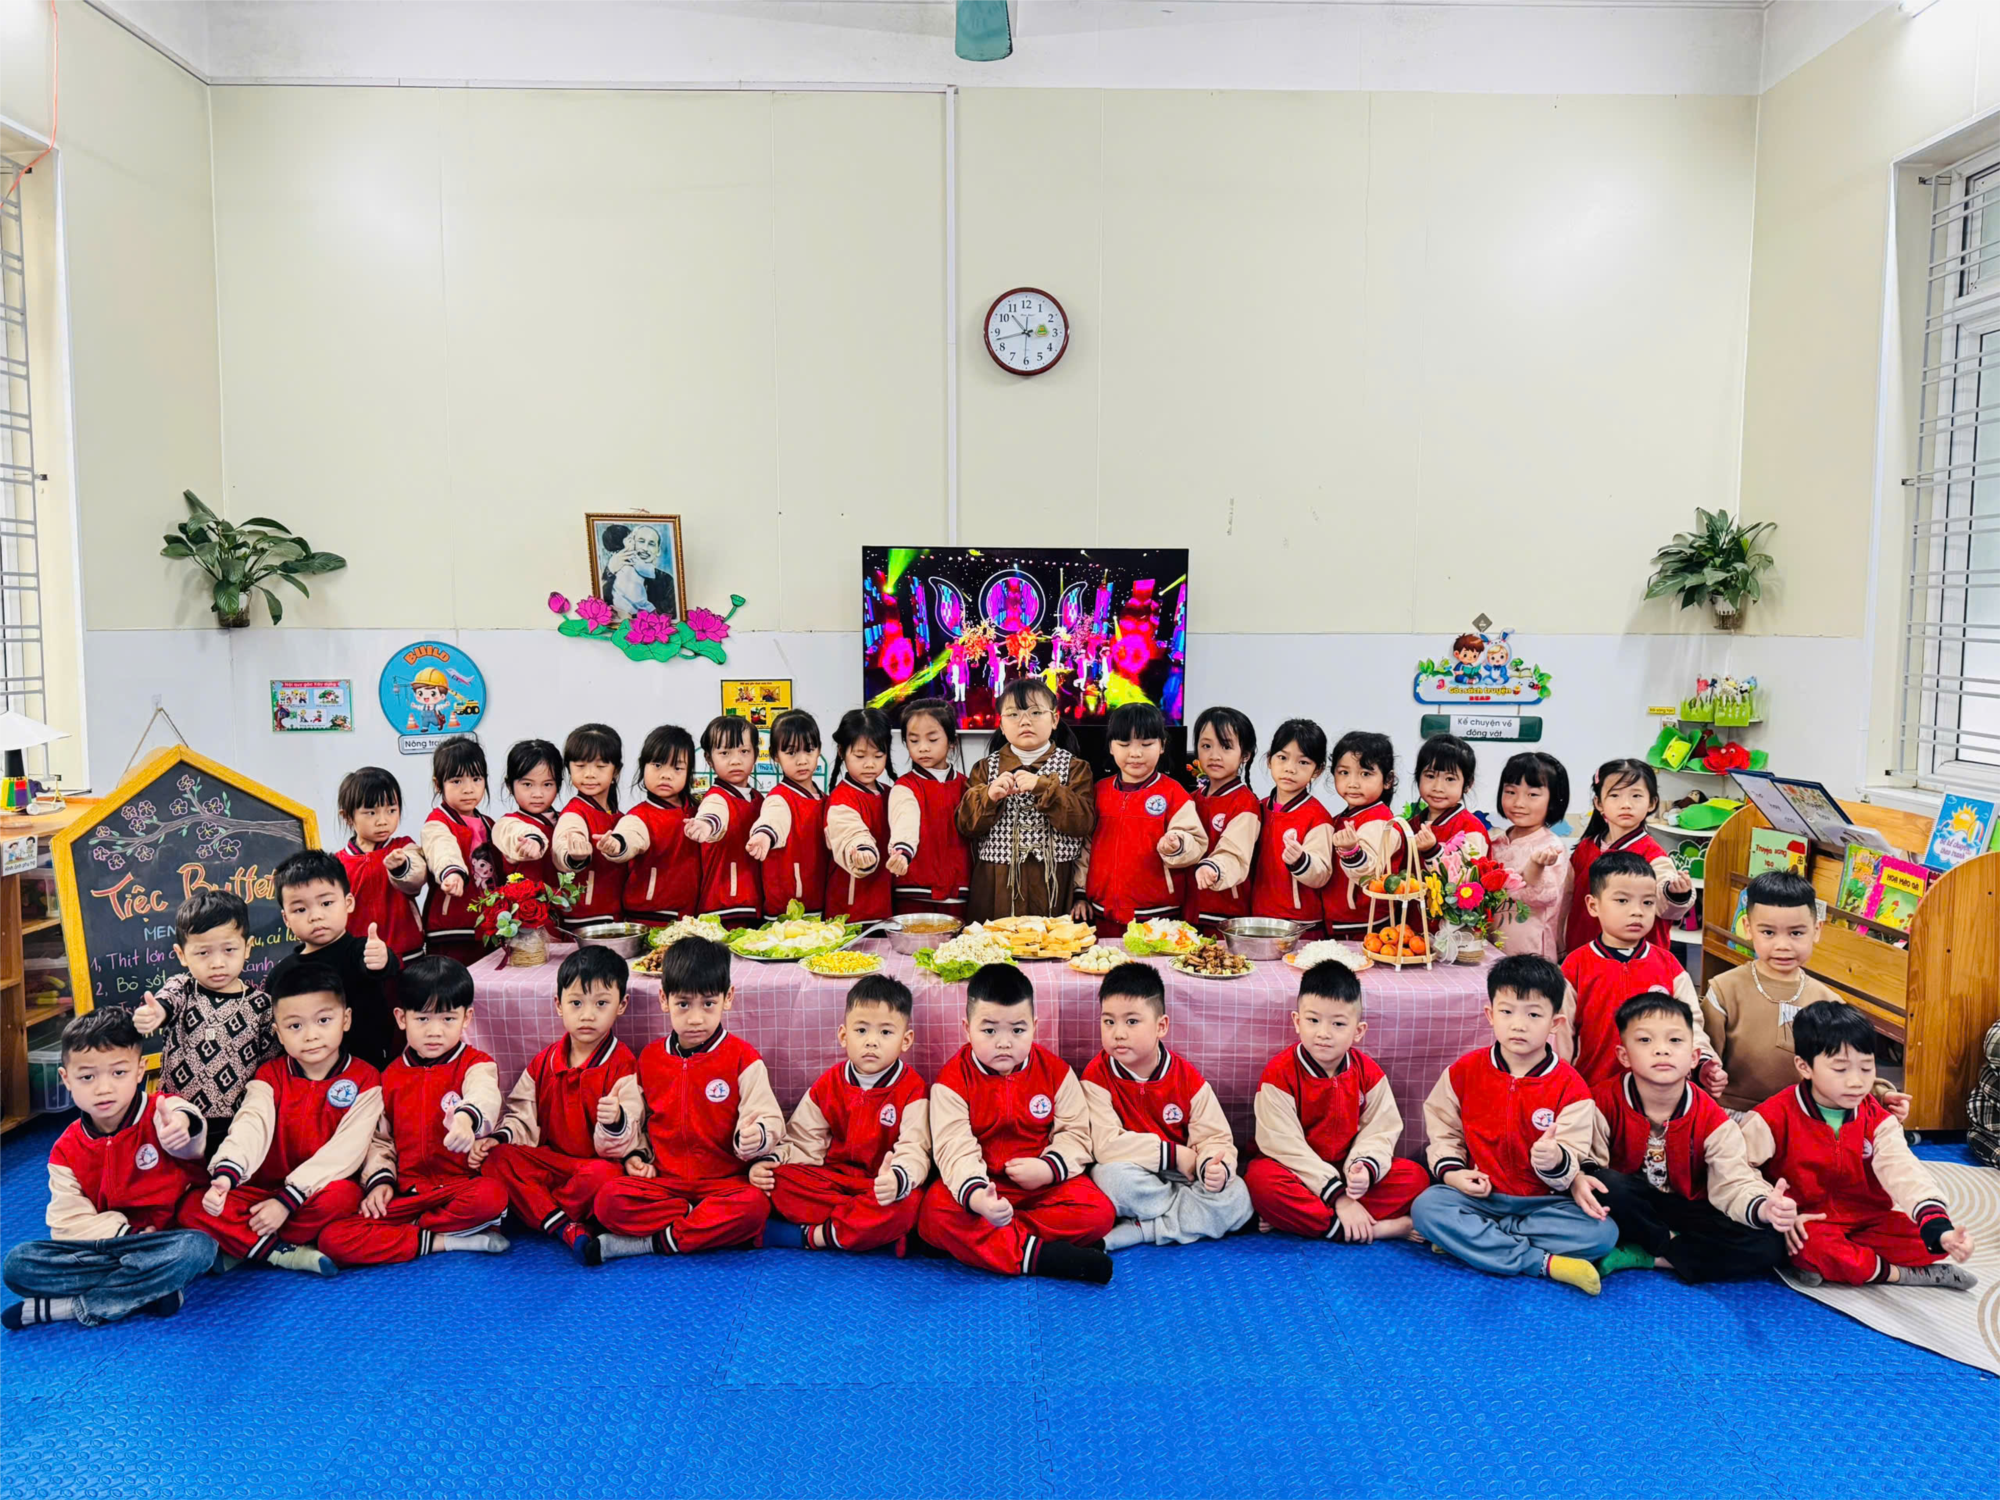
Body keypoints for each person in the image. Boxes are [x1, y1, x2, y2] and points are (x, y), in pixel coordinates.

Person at [1411, 955, 1618, 1294]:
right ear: (1490, 1015)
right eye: (1507, 1012)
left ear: (1555, 1022)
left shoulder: (1571, 1087)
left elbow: (1575, 1153)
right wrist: (1453, 1174)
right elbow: (1443, 1130)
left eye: (1533, 1015)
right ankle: (1543, 1263)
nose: (1518, 1025)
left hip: (1544, 1204)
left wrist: (1555, 1160)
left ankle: (1476, 1240)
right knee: (1427, 1207)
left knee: (1602, 1233)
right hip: (1481, 1197)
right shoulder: (1464, 1071)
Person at [1740, 1000, 1978, 1289]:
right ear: (1804, 1067)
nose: (1856, 1082)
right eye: (1840, 1069)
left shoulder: (1876, 1118)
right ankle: (1900, 1274)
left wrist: (1939, 1228)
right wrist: (1772, 1203)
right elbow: (1738, 1169)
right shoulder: (1772, 1117)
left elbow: (1902, 1168)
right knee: (1811, 1245)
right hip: (1810, 1221)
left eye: (1866, 1068)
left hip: (1869, 1218)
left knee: (1931, 1241)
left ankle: (1848, 1264)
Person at [2, 1007, 215, 1329]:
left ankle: (74, 1307)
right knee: (18, 1264)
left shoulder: (161, 1112)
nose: (104, 1089)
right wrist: (125, 1234)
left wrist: (182, 1128)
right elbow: (68, 1222)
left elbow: (186, 1122)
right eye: (87, 1077)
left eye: (118, 1073)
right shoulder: (65, 1149)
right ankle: (148, 1289)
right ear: (66, 1079)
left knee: (199, 1248)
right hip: (108, 1245)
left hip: (165, 1240)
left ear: (139, 1070)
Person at [176, 964, 383, 1277]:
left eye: (324, 1021)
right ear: (278, 1033)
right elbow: (250, 1125)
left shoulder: (366, 1079)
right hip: (261, 1192)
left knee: (344, 1197)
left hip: (313, 1194)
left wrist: (287, 1202)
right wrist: (227, 1174)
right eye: (295, 1026)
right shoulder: (270, 1075)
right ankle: (282, 1252)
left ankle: (246, 1244)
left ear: (346, 1019)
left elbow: (346, 1152)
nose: (311, 1035)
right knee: (192, 1206)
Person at [1570, 994, 1789, 1283]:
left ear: (1694, 1057)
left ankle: (1651, 1254)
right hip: (1631, 1203)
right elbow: (1587, 1162)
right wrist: (1583, 1177)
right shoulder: (1601, 1101)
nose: (1662, 1050)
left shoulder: (1712, 1118)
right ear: (1624, 1055)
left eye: (1675, 1040)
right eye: (1645, 1040)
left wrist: (1763, 1208)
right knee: (1603, 1183)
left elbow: (1733, 1182)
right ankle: (1676, 1247)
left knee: (1771, 1242)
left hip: (1689, 1206)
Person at [918, 963, 1116, 1283]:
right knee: (934, 1212)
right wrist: (978, 1196)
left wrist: (1049, 1168)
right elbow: (953, 1148)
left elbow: (1076, 1133)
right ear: (967, 1029)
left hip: (1041, 1186)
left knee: (1099, 1212)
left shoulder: (1056, 1072)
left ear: (1034, 1027)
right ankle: (1043, 1256)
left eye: (1017, 1030)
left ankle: (992, 1242)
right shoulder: (951, 1082)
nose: (1004, 1042)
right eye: (989, 1030)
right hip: (982, 1185)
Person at [592, 937, 783, 1258]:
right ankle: (700, 1223)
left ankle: (648, 1243)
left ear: (728, 998)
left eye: (708, 1003)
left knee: (754, 1206)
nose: (695, 1018)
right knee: (608, 1201)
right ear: (664, 1000)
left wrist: (757, 1136)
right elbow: (638, 1123)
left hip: (725, 1183)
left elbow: (768, 1115)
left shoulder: (743, 1058)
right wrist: (633, 1152)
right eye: (683, 1004)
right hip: (665, 1182)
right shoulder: (650, 1059)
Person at [316, 957, 510, 1267]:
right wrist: (380, 1182)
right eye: (422, 1019)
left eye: (448, 1019)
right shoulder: (389, 1076)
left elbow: (483, 1094)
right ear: (401, 1018)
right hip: (407, 1193)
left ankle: (407, 1235)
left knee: (492, 1196)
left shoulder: (477, 1064)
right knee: (333, 1238)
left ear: (467, 1018)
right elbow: (380, 1140)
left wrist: (465, 1119)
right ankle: (447, 1240)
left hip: (459, 1187)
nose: (435, 1031)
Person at [471, 944, 637, 1266]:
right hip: (548, 1161)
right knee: (496, 1158)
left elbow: (630, 1135)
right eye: (576, 1003)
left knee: (607, 1178)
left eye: (601, 1003)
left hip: (591, 1166)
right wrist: (499, 1137)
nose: (587, 1015)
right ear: (558, 1005)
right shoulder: (544, 1061)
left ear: (622, 1005)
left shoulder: (622, 1064)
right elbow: (521, 1117)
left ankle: (541, 1213)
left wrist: (616, 1120)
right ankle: (566, 1225)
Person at [1243, 962, 1429, 1244]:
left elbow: (1380, 1130)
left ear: (1358, 1030)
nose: (1323, 1033)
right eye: (1313, 1020)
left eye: (1338, 1024)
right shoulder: (1279, 1073)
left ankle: (1304, 1220)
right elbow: (1282, 1144)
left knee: (1415, 1177)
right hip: (1296, 1171)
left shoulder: (1368, 1072)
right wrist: (1339, 1197)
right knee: (1261, 1182)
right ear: (1297, 1021)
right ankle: (1375, 1229)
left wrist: (1363, 1169)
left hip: (1347, 1171)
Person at [1082, 964, 1250, 1249]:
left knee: (1238, 1197)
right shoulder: (1096, 1077)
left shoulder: (1186, 1078)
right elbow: (1105, 1145)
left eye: (1132, 1021)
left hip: (1185, 1175)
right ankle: (1187, 1216)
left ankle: (1144, 1229)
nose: (1118, 1033)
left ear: (1161, 1026)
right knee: (1108, 1177)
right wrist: (1172, 1154)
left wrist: (1213, 1166)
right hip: (1135, 1171)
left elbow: (1215, 1138)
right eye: (1109, 1022)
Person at [769, 974, 930, 1252]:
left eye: (886, 1032)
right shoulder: (829, 1083)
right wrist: (773, 1161)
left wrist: (897, 1178)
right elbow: (803, 1141)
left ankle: (814, 1236)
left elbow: (916, 1149)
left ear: (906, 1040)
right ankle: (866, 1230)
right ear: (844, 1035)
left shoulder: (913, 1089)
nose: (872, 1042)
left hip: (879, 1185)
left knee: (910, 1203)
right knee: (777, 1181)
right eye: (861, 1030)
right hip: (832, 1180)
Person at [1559, 849, 1720, 1092]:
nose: (1637, 911)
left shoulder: (1669, 966)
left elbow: (1691, 1024)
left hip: (1658, 1094)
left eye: (1647, 902)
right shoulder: (1575, 966)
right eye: (1622, 901)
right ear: (1593, 905)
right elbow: (1561, 1036)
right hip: (1591, 1092)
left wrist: (1704, 1062)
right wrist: (1563, 1088)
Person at [131, 890, 276, 1153]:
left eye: (229, 950)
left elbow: (269, 1067)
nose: (217, 963)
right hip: (179, 1118)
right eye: (203, 953)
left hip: (237, 1123)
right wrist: (155, 1014)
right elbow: (165, 1003)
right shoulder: (182, 988)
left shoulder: (262, 1005)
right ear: (181, 954)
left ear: (247, 948)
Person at [1700, 871, 1843, 1114]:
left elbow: (1847, 1067)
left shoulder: (1830, 1003)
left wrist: (1882, 1094)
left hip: (1800, 1117)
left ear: (1817, 929)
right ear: (1748, 928)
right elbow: (1703, 1062)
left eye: (1796, 933)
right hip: (1731, 1113)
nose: (1782, 945)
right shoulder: (1723, 991)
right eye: (1768, 932)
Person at [957, 678, 1096, 921]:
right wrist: (988, 796)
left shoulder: (1075, 767)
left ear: (1054, 719)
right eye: (1013, 714)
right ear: (1001, 724)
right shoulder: (985, 768)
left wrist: (1043, 788)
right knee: (997, 941)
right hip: (996, 884)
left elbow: (1082, 823)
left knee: (1053, 940)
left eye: (1035, 712)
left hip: (1054, 884)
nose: (1024, 721)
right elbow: (966, 826)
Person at [1078, 702, 1207, 936]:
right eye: (1124, 744)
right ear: (1111, 746)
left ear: (1162, 745)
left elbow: (1196, 841)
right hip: (1101, 915)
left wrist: (1177, 844)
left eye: (1146, 744)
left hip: (1158, 920)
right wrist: (1079, 892)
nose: (1135, 753)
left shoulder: (1174, 793)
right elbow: (1085, 846)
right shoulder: (1097, 791)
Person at [268, 849, 400, 1068]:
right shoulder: (281, 974)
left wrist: (382, 959)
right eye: (300, 909)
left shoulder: (361, 951)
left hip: (368, 1071)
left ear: (348, 903)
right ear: (286, 919)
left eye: (326, 903)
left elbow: (384, 968)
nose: (316, 916)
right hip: (307, 1076)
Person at [1560, 758, 1694, 955]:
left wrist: (1676, 893)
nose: (1626, 804)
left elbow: (1666, 905)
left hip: (1635, 958)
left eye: (1636, 795)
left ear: (1652, 803)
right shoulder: (1586, 847)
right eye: (1614, 795)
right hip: (1584, 951)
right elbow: (1567, 898)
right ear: (1599, 803)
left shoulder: (1652, 854)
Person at [606, 724, 702, 925]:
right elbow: (630, 835)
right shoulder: (640, 816)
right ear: (643, 766)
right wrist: (617, 844)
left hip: (689, 918)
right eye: (658, 765)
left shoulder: (698, 812)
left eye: (677, 768)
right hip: (648, 917)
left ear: (688, 772)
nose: (666, 775)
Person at [1248, 718, 1335, 935]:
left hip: (1301, 925)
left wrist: (1301, 860)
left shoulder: (1318, 817)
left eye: (1303, 762)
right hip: (1259, 920)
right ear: (1269, 760)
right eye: (1282, 757)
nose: (1290, 768)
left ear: (1318, 770)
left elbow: (1321, 873)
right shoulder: (1257, 809)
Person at [887, 698, 971, 918]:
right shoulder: (905, 786)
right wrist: (902, 852)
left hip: (960, 892)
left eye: (932, 739)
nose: (923, 748)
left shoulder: (967, 785)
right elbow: (904, 823)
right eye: (913, 741)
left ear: (951, 741)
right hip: (913, 893)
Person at [334, 765, 428, 962]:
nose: (383, 821)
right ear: (348, 816)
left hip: (407, 954)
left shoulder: (404, 848)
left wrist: (401, 868)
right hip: (362, 960)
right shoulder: (337, 863)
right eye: (371, 813)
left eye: (391, 810)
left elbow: (417, 877)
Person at [1183, 706, 1260, 934]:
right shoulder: (1190, 799)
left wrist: (1214, 868)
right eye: (1206, 746)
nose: (1214, 756)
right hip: (1189, 911)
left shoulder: (1245, 803)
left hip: (1225, 915)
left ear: (1245, 755)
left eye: (1226, 747)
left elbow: (1235, 853)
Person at [1488, 752, 1572, 960]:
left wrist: (1536, 865)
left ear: (1553, 800)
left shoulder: (1551, 847)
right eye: (1510, 792)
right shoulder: (1496, 842)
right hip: (1492, 946)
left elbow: (1541, 897)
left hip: (1530, 953)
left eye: (1532, 795)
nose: (1519, 802)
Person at [1321, 730, 1403, 941]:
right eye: (1344, 772)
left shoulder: (1381, 822)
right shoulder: (1340, 818)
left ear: (1388, 780)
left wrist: (1352, 851)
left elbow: (1370, 871)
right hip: (1341, 922)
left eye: (1365, 774)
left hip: (1366, 926)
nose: (1353, 783)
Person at [682, 715, 763, 927]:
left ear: (756, 754)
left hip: (755, 904)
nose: (735, 760)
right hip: (724, 907)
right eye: (725, 753)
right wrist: (705, 825)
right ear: (709, 759)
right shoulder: (717, 797)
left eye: (744, 751)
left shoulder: (758, 798)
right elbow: (714, 814)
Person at [746, 710, 828, 919]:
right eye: (791, 752)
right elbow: (773, 818)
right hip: (784, 913)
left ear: (819, 750)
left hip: (822, 907)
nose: (802, 760)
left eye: (809, 750)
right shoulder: (780, 797)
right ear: (775, 755)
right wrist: (764, 835)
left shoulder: (826, 799)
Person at [420, 736, 492, 964]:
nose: (468, 789)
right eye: (457, 781)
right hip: (451, 930)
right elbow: (441, 848)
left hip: (489, 927)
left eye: (476, 779)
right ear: (438, 784)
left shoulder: (489, 823)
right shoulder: (438, 822)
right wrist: (451, 872)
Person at [825, 708, 897, 923]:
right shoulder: (842, 797)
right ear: (841, 751)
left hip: (884, 903)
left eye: (878, 755)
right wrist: (861, 850)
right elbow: (848, 832)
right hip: (850, 908)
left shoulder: (891, 793)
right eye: (860, 756)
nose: (870, 764)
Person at [552, 723, 628, 924]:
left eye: (600, 766)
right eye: (580, 766)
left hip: (617, 919)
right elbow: (565, 840)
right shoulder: (575, 812)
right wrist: (573, 855)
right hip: (584, 920)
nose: (589, 774)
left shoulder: (620, 817)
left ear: (616, 771)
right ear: (569, 768)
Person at [491, 738, 563, 888]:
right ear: (509, 786)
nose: (538, 794)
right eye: (527, 784)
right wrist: (532, 840)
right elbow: (515, 833)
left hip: (567, 902)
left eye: (547, 784)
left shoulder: (566, 820)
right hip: (527, 902)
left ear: (558, 785)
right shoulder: (506, 825)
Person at [1408, 733, 1485, 866]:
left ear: (1468, 784)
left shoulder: (1472, 828)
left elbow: (1468, 873)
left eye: (1450, 779)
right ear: (1418, 776)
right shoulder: (1410, 826)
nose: (1438, 788)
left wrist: (1432, 851)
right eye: (1430, 776)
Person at [599, 521, 678, 619]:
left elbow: (671, 615)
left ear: (658, 551)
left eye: (651, 544)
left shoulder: (667, 581)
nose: (645, 548)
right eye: (641, 541)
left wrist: (632, 617)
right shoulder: (611, 572)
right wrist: (610, 570)